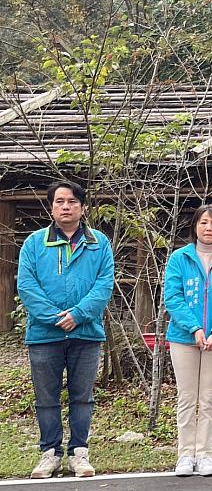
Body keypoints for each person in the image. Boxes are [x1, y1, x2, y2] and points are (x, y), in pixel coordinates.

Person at [17, 180, 114, 479]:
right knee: (46, 398)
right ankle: (50, 454)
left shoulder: (99, 243)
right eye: (59, 202)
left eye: (72, 201)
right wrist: (55, 317)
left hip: (86, 334)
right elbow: (27, 285)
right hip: (45, 335)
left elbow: (104, 284)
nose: (66, 206)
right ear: (51, 207)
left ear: (83, 207)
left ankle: (79, 454)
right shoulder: (34, 243)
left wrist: (79, 314)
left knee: (82, 397)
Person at [164, 204, 212, 477]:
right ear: (194, 226)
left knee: (208, 398)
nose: (208, 228)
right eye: (203, 222)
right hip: (183, 338)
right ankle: (185, 454)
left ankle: (205, 454)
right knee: (186, 397)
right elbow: (172, 298)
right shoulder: (179, 258)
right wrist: (195, 328)